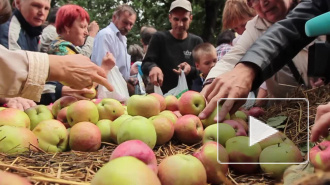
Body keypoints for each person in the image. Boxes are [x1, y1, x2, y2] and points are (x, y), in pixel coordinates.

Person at [198, 0, 329, 123]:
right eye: (253, 0)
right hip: (286, 118)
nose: (263, 3)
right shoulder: (255, 28)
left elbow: (293, 26)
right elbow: (231, 59)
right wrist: (211, 85)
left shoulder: (317, 7)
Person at [0, 0, 113, 110]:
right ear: (18, 3)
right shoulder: (11, 30)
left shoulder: (32, 33)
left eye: (46, 8)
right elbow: (11, 74)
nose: (42, 12)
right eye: (36, 5)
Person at [42, 4, 115, 103]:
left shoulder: (62, 45)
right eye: (82, 27)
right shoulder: (62, 48)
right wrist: (105, 68)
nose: (86, 32)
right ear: (67, 27)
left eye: (87, 28)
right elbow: (83, 88)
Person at [142, 0, 203, 94]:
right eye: (176, 19)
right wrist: (153, 67)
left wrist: (191, 70)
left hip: (190, 98)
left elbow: (204, 70)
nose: (180, 24)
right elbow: (146, 63)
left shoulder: (197, 41)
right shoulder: (159, 38)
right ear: (170, 18)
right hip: (162, 97)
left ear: (191, 18)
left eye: (184, 19)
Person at [91, 4, 136, 81]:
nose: (128, 27)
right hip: (108, 88)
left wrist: (129, 78)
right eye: (125, 22)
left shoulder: (122, 38)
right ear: (114, 18)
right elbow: (105, 70)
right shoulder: (106, 35)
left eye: (131, 24)